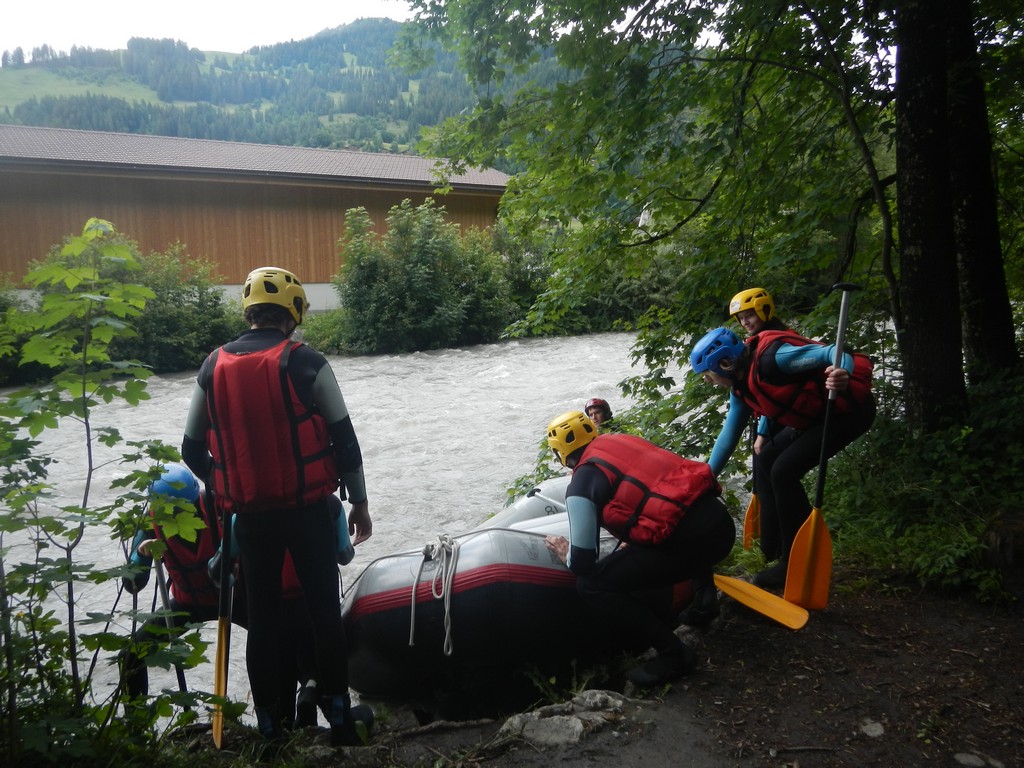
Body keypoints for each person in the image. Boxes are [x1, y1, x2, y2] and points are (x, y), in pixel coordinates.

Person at [181, 266, 373, 744]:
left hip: (249, 518)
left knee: (263, 622)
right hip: (308, 512)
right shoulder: (308, 363)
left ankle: (271, 727)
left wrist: (224, 485)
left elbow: (191, 449)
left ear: (249, 312)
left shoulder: (212, 366)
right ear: (294, 312)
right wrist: (359, 503)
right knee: (323, 613)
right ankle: (340, 719)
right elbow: (345, 442)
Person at [542, 411, 736, 687]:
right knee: (682, 520)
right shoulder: (622, 441)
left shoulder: (581, 484)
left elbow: (583, 561)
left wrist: (566, 554)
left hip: (695, 547)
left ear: (559, 453)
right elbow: (662, 496)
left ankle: (674, 654)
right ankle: (705, 600)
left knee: (591, 585)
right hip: (722, 527)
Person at [689, 326, 875, 589]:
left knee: (784, 471)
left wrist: (842, 372)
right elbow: (728, 437)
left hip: (847, 413)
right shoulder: (739, 389)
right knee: (766, 460)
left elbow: (835, 352)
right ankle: (772, 546)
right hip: (814, 418)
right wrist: (705, 481)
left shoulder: (773, 359)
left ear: (724, 364)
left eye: (707, 375)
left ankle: (793, 562)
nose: (708, 381)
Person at [120, 463, 224, 700]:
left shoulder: (217, 505)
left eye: (186, 508)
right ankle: (136, 718)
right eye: (170, 512)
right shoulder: (150, 523)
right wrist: (141, 554)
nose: (177, 517)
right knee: (131, 655)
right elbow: (132, 585)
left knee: (281, 644)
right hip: (188, 603)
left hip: (232, 597)